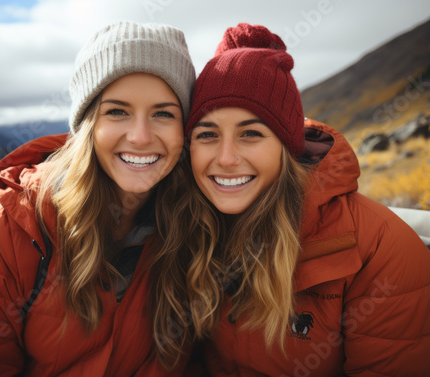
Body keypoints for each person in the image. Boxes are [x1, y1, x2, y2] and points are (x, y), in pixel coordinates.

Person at [183, 23, 430, 376]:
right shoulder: (189, 226)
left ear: (288, 146)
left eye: (251, 134)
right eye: (207, 134)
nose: (225, 158)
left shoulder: (381, 249)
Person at [0, 21, 197, 376]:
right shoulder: (13, 230)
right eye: (117, 111)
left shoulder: (199, 223)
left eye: (163, 113)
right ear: (87, 126)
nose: (141, 136)